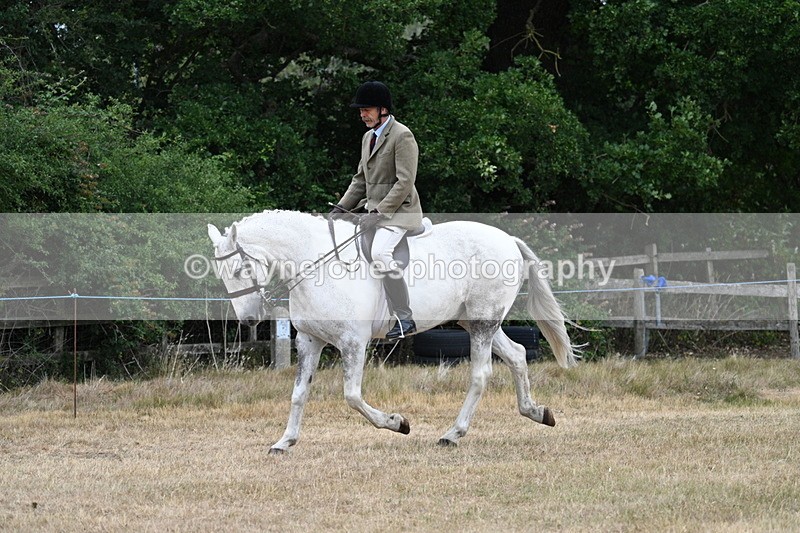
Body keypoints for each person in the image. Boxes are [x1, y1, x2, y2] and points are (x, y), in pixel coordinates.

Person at [329, 81, 422, 339]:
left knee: (380, 253)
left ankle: (405, 317)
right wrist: (339, 208)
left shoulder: (403, 136)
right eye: (360, 110)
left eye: (366, 109)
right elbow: (360, 180)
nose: (362, 114)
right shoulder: (368, 137)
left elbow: (405, 182)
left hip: (399, 212)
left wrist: (379, 212)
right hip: (373, 212)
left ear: (383, 109)